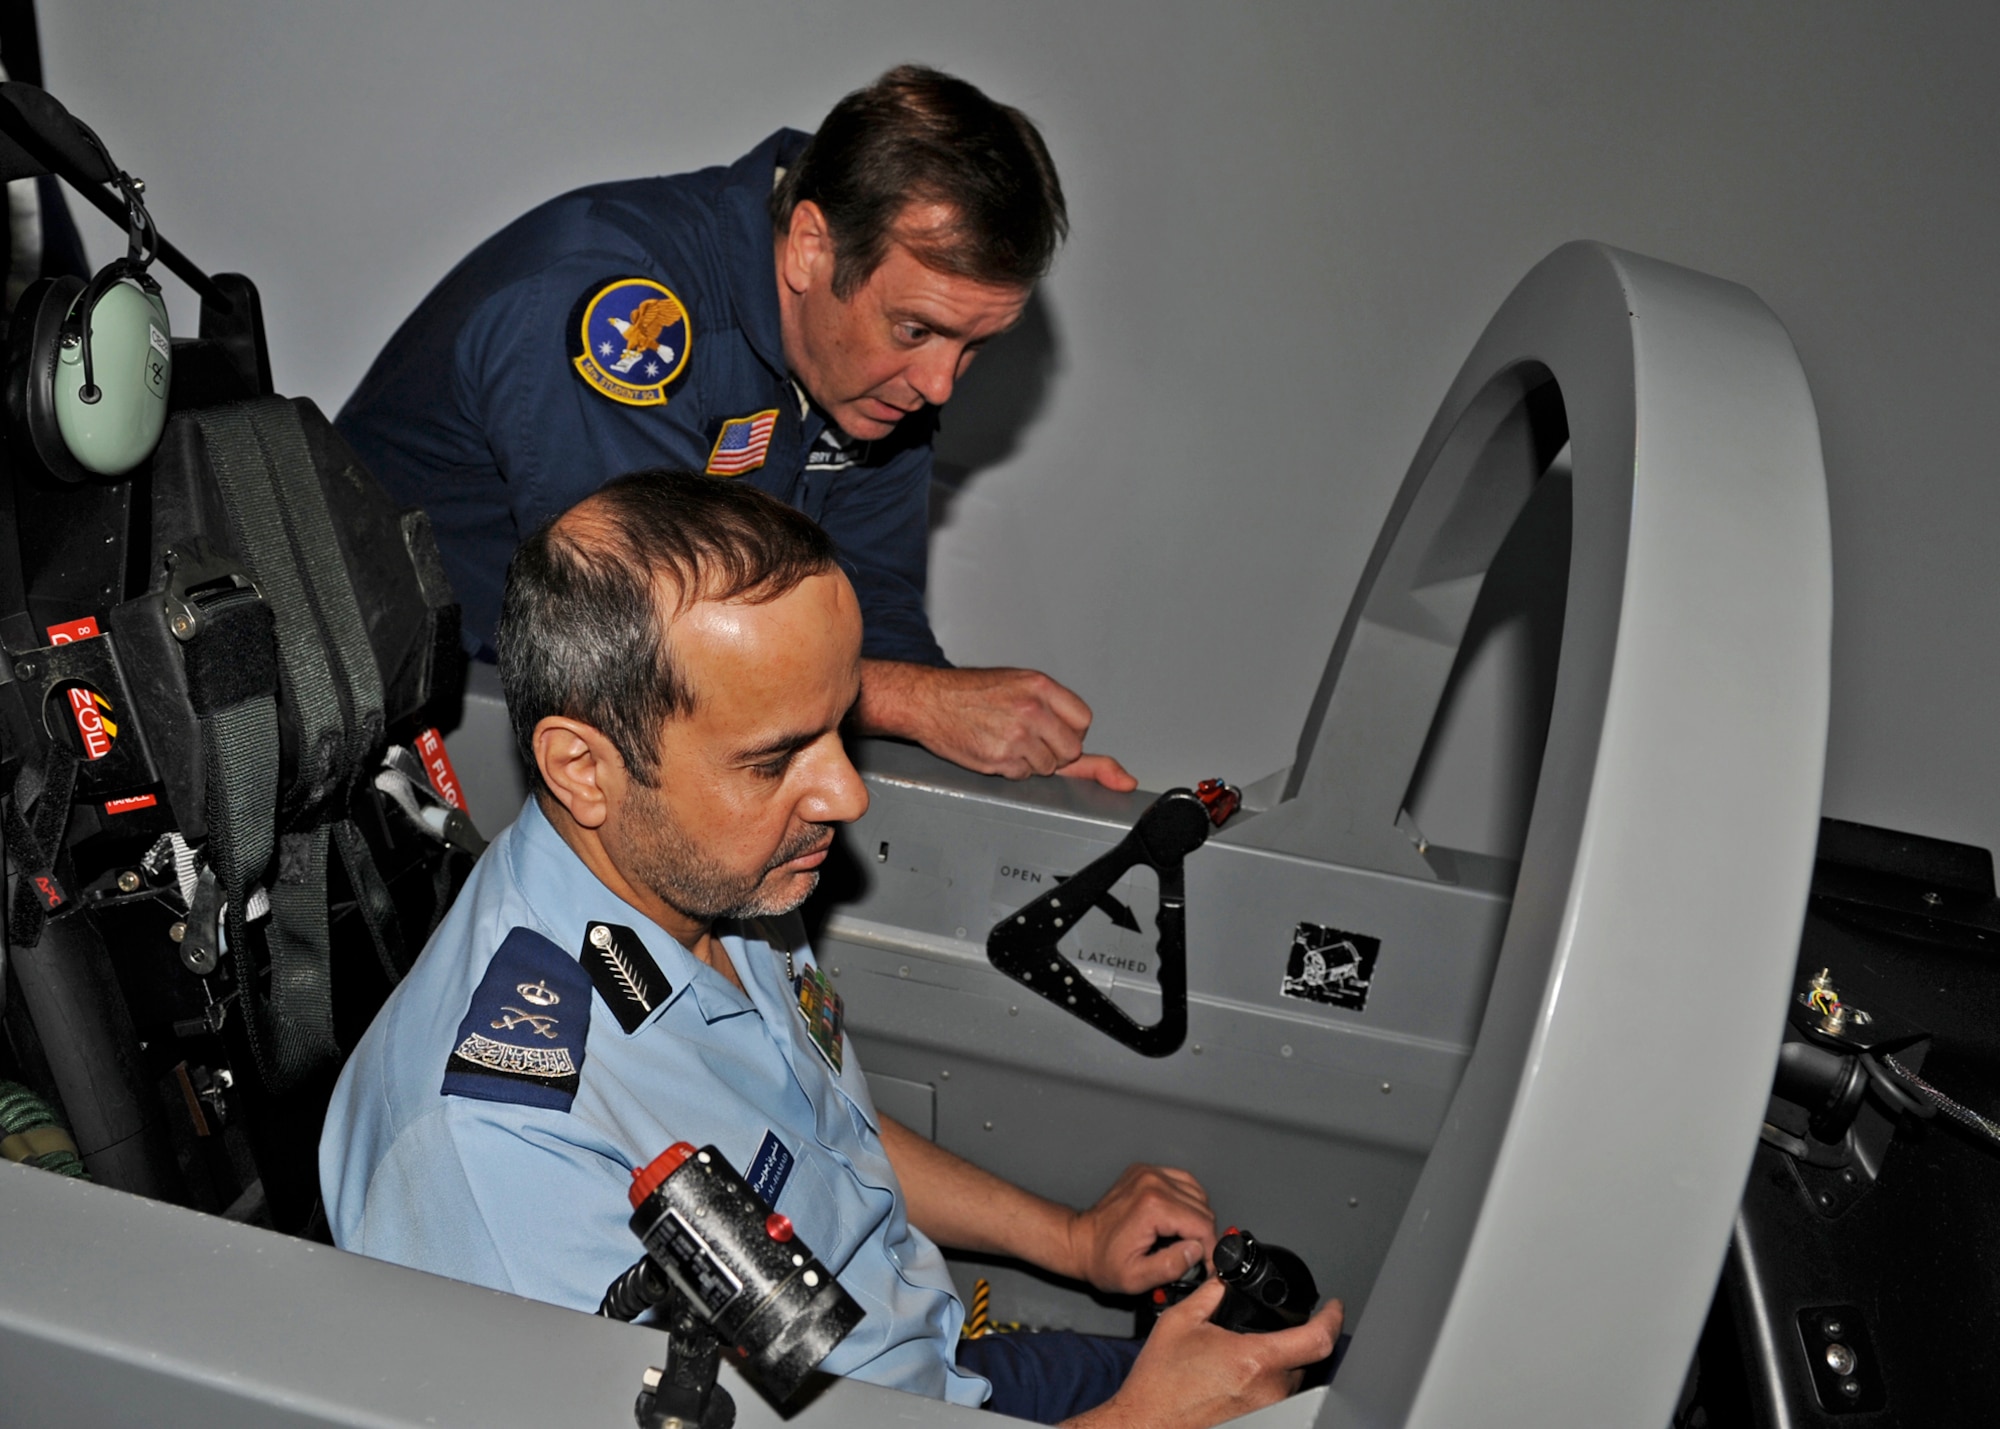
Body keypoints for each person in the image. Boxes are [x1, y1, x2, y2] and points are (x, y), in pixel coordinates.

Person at [319, 472, 1341, 1428]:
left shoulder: (718, 872)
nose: (846, 795)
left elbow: (814, 1135)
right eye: (776, 759)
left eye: (838, 729)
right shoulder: (495, 1149)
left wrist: (1069, 1237)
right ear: (584, 769)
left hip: (929, 1365)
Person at [337, 65, 1132, 791]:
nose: (939, 384)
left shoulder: (876, 374)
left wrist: (989, 756)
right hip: (388, 721)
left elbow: (868, 605)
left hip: (564, 720)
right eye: (917, 330)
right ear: (812, 248)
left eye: (975, 345)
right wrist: (914, 703)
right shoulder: (620, 310)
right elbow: (644, 639)